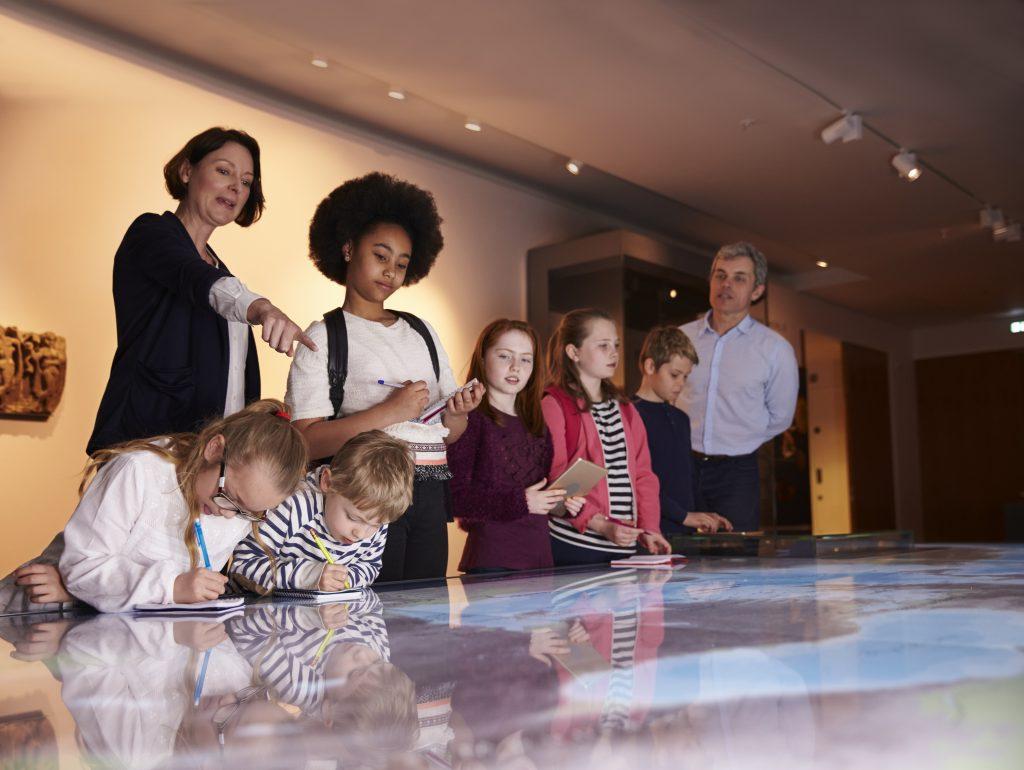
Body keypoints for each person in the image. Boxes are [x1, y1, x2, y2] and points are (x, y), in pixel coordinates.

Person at [286, 172, 484, 582]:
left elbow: (448, 435)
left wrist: (458, 413)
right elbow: (305, 441)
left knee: (427, 606)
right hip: (366, 496)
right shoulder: (323, 337)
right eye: (381, 255)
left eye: (402, 264)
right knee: (374, 605)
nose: (390, 271)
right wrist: (390, 412)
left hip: (430, 489)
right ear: (347, 248)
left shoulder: (422, 331)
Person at [87, 127, 315, 455]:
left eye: (246, 181)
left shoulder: (223, 275)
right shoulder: (150, 233)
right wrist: (262, 307)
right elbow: (190, 275)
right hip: (146, 450)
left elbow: (234, 390)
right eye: (224, 171)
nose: (236, 187)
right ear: (186, 171)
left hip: (206, 463)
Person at [2, 399, 306, 614]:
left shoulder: (235, 512)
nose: (227, 513)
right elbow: (84, 568)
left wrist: (78, 593)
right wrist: (171, 587)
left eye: (247, 512)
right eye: (229, 496)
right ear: (214, 449)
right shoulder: (138, 472)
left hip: (110, 635)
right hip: (32, 618)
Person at [678, 242, 799, 531]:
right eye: (720, 275)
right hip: (681, 464)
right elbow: (663, 398)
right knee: (677, 549)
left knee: (734, 553)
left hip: (737, 472)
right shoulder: (680, 338)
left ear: (757, 291)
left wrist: (740, 439)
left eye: (739, 278)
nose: (726, 285)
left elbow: (781, 417)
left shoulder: (775, 349)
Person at [448, 319, 584, 573]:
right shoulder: (469, 419)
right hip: (492, 560)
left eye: (526, 359)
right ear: (482, 359)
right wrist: (522, 502)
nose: (515, 367)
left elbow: (537, 493)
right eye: (504, 356)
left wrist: (562, 504)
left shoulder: (537, 424)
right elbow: (455, 499)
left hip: (540, 557)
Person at [542, 309, 670, 565]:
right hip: (575, 546)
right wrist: (601, 525)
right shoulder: (554, 404)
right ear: (574, 352)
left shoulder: (626, 408)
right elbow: (556, 483)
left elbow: (643, 475)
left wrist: (649, 528)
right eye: (603, 345)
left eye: (616, 345)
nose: (614, 353)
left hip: (623, 546)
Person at [229, 430, 415, 593]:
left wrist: (343, 580)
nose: (360, 534)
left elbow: (370, 566)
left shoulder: (376, 516)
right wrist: (309, 576)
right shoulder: (294, 505)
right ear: (327, 482)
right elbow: (243, 565)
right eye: (352, 518)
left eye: (376, 525)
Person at [632, 325, 733, 536]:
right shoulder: (629, 415)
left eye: (685, 377)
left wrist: (704, 514)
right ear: (650, 366)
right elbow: (634, 483)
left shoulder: (681, 419)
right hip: (649, 533)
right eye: (674, 375)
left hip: (686, 532)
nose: (681, 384)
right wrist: (683, 515)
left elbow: (689, 478)